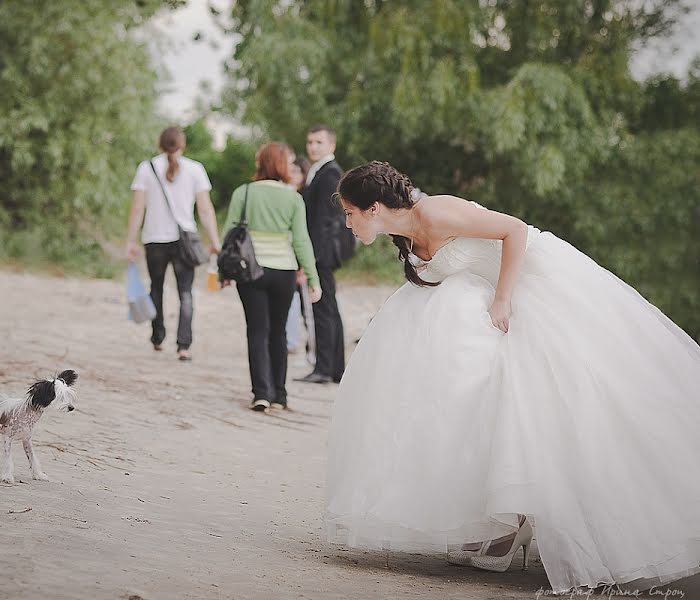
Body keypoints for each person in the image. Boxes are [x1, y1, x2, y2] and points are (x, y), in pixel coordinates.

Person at [324, 161, 700, 594]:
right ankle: (506, 523)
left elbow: (514, 230)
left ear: (373, 208)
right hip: (488, 298)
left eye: (350, 213)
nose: (348, 223)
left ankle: (580, 527)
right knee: (485, 400)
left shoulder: (436, 212)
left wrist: (503, 299)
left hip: (533, 283)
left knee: (570, 395)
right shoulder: (405, 232)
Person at [222, 142, 322, 412]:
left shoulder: (243, 193)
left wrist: (223, 271)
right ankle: (280, 394)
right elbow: (301, 241)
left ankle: (261, 393)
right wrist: (313, 278)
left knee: (257, 331)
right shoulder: (293, 198)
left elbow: (230, 234)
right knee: (278, 332)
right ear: (282, 166)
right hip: (284, 272)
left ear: (260, 163)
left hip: (250, 270)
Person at [126, 126, 221, 362]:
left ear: (160, 144)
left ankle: (158, 336)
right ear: (183, 145)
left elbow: (138, 208)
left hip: (154, 239)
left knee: (156, 287)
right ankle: (183, 346)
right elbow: (206, 210)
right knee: (185, 292)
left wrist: (130, 240)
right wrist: (215, 241)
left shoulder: (146, 168)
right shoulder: (195, 169)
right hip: (184, 241)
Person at [295, 125, 352, 384]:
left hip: (322, 253)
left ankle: (325, 368)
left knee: (323, 308)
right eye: (310, 142)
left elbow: (324, 222)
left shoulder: (329, 174)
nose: (313, 147)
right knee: (328, 306)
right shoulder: (320, 172)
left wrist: (311, 259)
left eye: (319, 142)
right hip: (322, 252)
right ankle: (333, 367)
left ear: (332, 145)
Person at [285, 155, 312, 354]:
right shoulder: (285, 194)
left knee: (305, 302)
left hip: (301, 254)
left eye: (297, 172)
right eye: (291, 171)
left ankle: (309, 340)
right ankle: (291, 339)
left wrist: (304, 263)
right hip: (285, 252)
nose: (293, 175)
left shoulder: (304, 198)